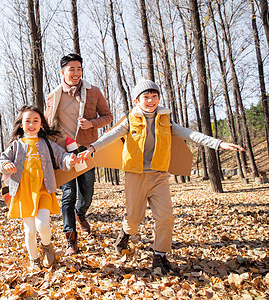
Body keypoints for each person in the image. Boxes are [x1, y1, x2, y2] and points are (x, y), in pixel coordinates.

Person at [78, 77, 245, 275]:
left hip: (159, 176)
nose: (150, 100)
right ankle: (125, 234)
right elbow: (110, 135)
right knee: (133, 219)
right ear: (137, 101)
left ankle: (159, 257)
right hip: (135, 175)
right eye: (146, 97)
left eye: (154, 96)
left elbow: (190, 134)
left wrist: (218, 143)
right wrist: (92, 148)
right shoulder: (130, 119)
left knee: (165, 217)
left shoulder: (166, 119)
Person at [45, 53, 113, 255]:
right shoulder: (54, 96)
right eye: (71, 69)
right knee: (68, 194)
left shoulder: (93, 92)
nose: (76, 73)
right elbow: (48, 125)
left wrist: (92, 124)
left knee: (87, 191)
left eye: (79, 69)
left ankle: (80, 213)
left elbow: (108, 116)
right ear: (63, 72)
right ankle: (70, 239)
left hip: (86, 149)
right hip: (64, 152)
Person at [0, 105, 77, 270]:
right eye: (28, 121)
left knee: (42, 225)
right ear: (21, 124)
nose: (31, 124)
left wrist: (70, 160)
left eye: (36, 121)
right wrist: (6, 164)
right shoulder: (16, 146)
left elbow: (62, 156)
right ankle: (34, 259)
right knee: (30, 230)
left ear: (41, 125)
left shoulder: (47, 144)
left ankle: (47, 245)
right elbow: (1, 160)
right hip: (24, 193)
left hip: (43, 191)